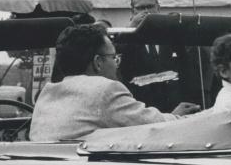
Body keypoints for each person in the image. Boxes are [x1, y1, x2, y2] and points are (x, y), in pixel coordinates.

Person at [31, 24, 199, 142]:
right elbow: (155, 125)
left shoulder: (47, 93)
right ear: (98, 62)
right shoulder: (104, 90)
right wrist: (184, 116)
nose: (116, 63)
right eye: (114, 57)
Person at [118, 0, 186, 112]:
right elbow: (118, 59)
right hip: (141, 106)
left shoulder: (172, 35)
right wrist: (131, 28)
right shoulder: (125, 38)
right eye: (140, 8)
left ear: (158, 8)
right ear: (132, 11)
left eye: (150, 6)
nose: (146, 11)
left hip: (174, 105)